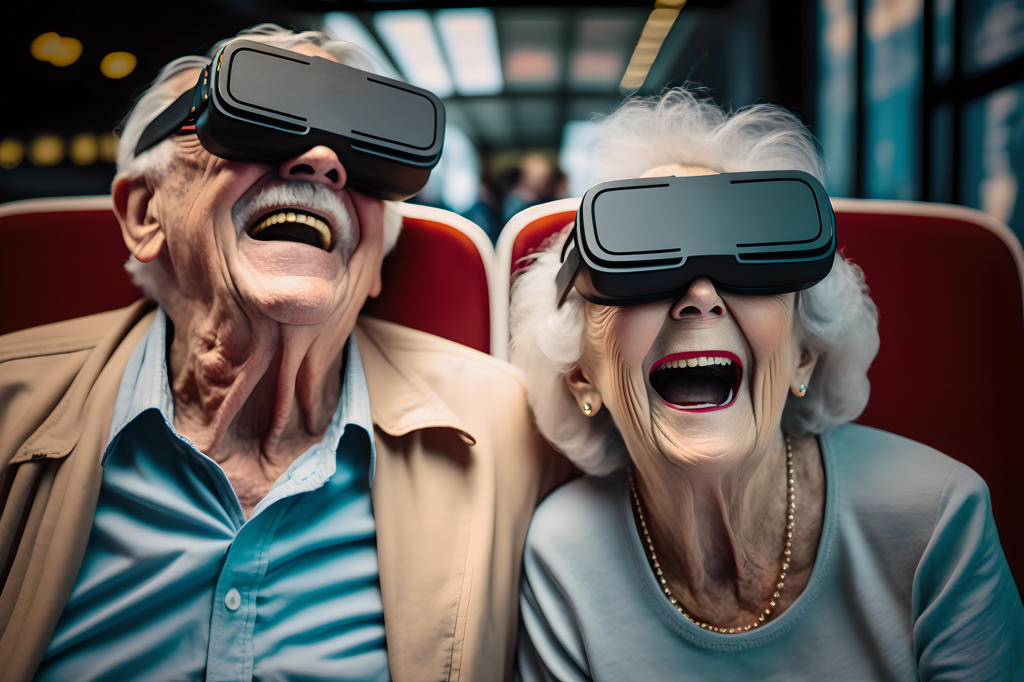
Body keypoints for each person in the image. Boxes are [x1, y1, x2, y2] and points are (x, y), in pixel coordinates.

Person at [0, 24, 566, 681]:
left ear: (374, 260)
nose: (321, 160)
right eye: (256, 118)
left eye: (358, 150)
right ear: (144, 212)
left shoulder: (513, 431)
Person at [509, 87, 1024, 680]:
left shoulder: (937, 518)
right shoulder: (562, 556)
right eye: (642, 267)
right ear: (580, 375)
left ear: (804, 353)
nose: (700, 297)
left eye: (746, 265)